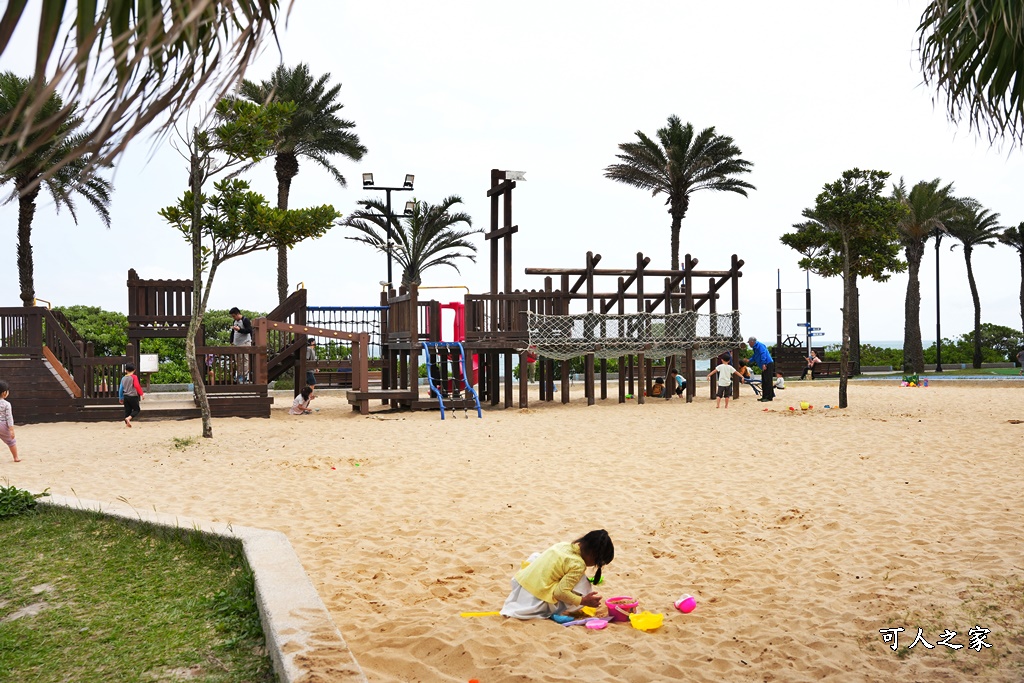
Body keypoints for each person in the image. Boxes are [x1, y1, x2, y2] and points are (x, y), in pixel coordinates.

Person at [500, 529, 615, 620]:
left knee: (537, 556)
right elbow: (560, 593)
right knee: (584, 583)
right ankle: (552, 611)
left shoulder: (563, 545)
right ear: (594, 557)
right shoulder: (578, 565)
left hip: (520, 588)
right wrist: (584, 601)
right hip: (533, 601)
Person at [747, 336, 775, 402]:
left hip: (767, 364)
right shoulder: (755, 347)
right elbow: (755, 356)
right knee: (764, 381)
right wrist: (749, 360)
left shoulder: (760, 345)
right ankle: (765, 396)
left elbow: (763, 354)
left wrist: (764, 363)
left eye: (749, 343)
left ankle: (768, 397)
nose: (749, 344)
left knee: (767, 381)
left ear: (752, 342)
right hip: (765, 364)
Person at [229, 307, 253, 383]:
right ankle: (239, 376)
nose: (234, 318)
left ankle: (244, 376)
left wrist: (240, 330)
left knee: (245, 360)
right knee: (238, 361)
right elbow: (233, 332)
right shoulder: (235, 321)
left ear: (238, 314)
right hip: (237, 343)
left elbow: (249, 330)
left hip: (245, 342)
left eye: (234, 316)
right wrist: (231, 341)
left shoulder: (245, 320)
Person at [118, 363, 144, 427]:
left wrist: (121, 398)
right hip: (133, 396)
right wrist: (141, 394)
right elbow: (137, 386)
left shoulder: (123, 378)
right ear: (134, 370)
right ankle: (129, 418)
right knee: (137, 409)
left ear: (126, 370)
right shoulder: (134, 377)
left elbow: (121, 389)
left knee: (127, 410)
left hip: (126, 396)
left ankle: (127, 423)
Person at [0, 380, 20, 462]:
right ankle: (16, 457)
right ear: (4, 393)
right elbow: (9, 417)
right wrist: (11, 429)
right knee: (11, 442)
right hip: (3, 425)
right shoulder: (7, 404)